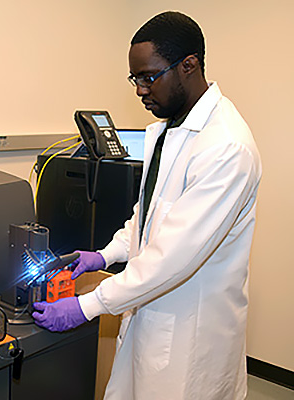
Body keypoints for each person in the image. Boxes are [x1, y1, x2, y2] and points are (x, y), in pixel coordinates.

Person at [31, 11, 262, 400]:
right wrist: (105, 255)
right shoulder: (169, 129)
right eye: (134, 78)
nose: (140, 89)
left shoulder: (225, 148)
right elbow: (150, 214)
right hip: (151, 313)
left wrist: (86, 306)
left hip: (190, 333)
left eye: (148, 77)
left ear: (189, 65)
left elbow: (172, 257)